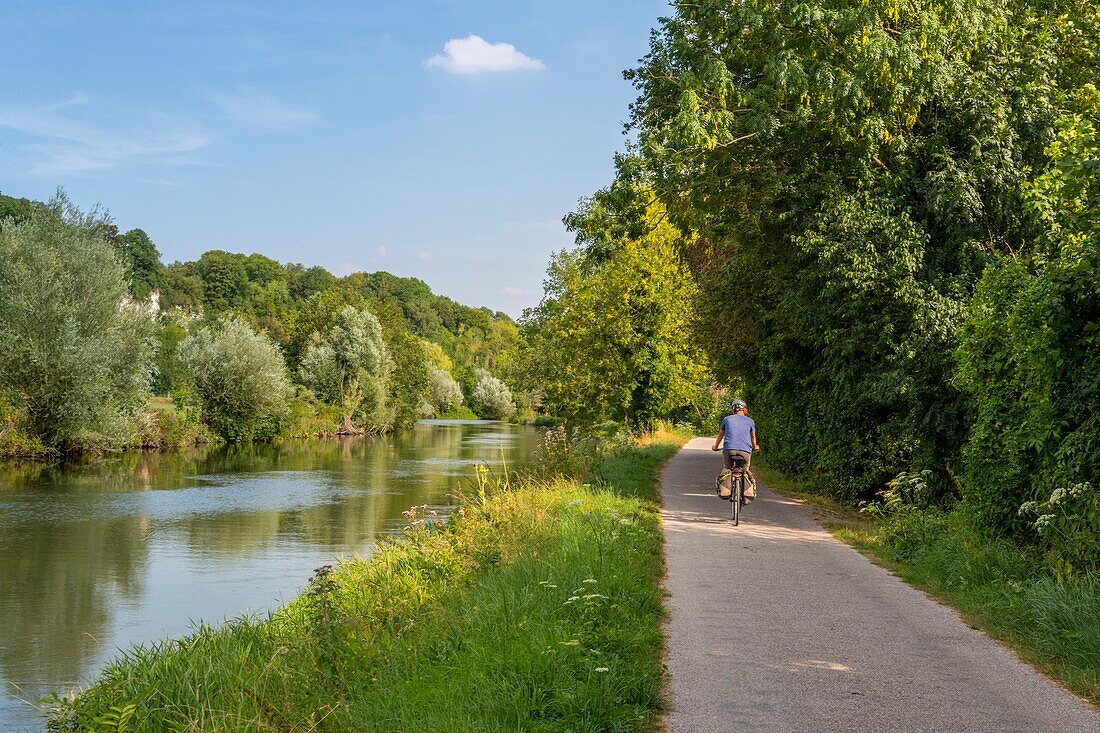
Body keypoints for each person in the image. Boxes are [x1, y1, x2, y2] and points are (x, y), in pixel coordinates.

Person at [711, 399, 759, 477]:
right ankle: (749, 484)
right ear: (744, 409)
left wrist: (715, 447)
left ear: (733, 410)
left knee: (727, 468)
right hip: (745, 451)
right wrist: (755, 447)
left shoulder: (727, 419)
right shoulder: (750, 421)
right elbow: (753, 438)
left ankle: (724, 487)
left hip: (729, 450)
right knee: (746, 471)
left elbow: (720, 435)